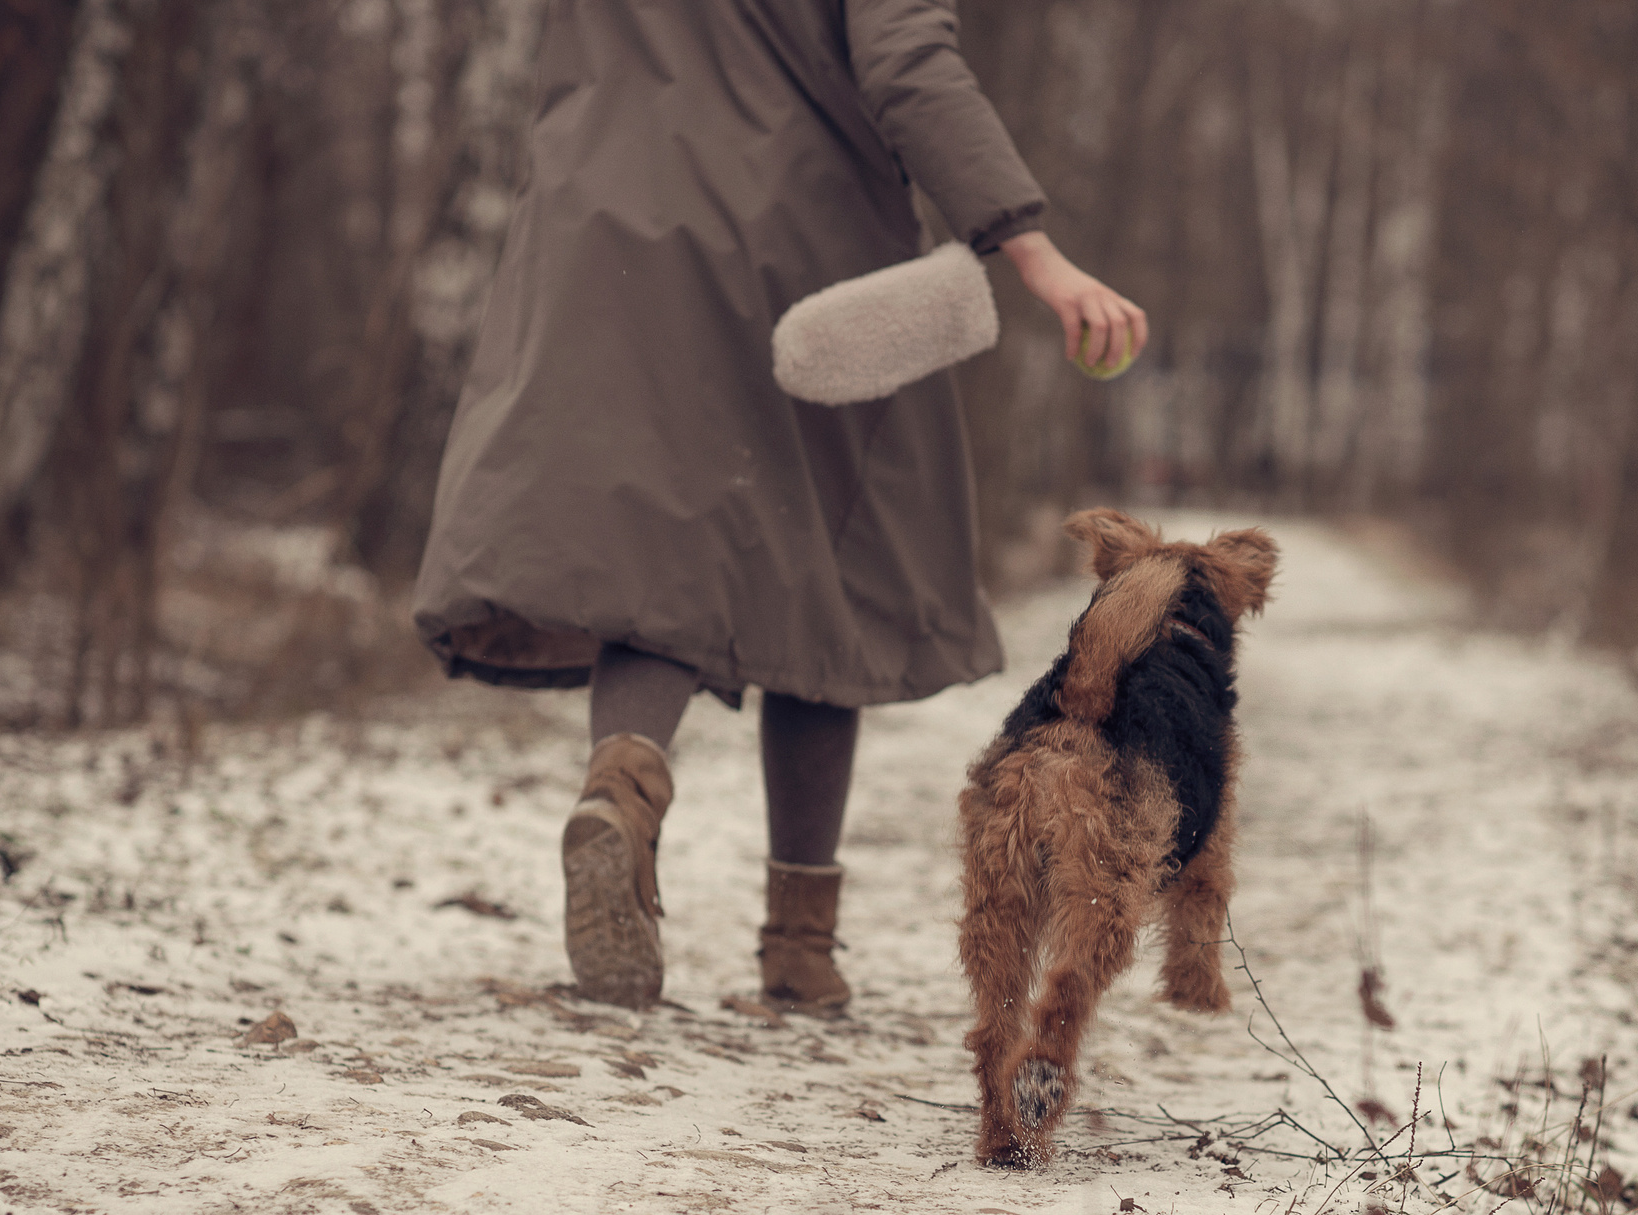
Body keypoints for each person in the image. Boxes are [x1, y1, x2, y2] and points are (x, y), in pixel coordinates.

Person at [411, 0, 1146, 1015]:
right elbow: (906, 59)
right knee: (835, 543)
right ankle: (798, 944)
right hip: (804, 234)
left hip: (604, 223)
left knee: (660, 541)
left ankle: (623, 783)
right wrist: (1027, 245)